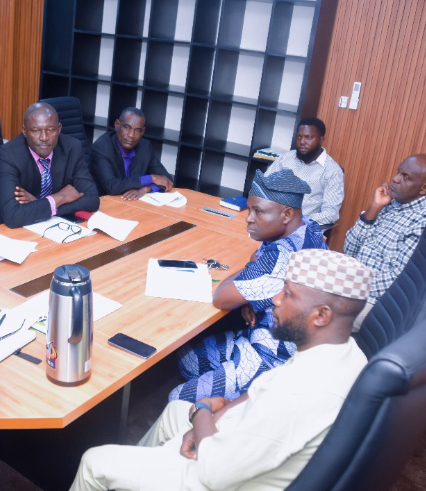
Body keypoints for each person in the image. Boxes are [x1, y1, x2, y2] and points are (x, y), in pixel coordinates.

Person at [70, 249, 372, 491]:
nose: (276, 300)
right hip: (239, 446)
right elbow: (261, 395)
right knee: (176, 409)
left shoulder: (294, 394)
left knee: (94, 462)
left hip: (217, 477)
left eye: (289, 295)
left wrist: (202, 411)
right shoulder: (349, 354)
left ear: (321, 315)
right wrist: (220, 410)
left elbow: (215, 473)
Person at [170, 169, 327, 402]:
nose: (248, 218)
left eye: (258, 211)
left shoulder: (279, 258)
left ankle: (241, 401)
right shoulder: (308, 228)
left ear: (286, 214)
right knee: (186, 358)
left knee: (177, 397)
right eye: (249, 209)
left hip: (271, 357)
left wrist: (251, 274)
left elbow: (221, 297)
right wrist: (254, 290)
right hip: (270, 332)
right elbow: (259, 256)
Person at [344, 153, 426, 330]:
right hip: (352, 283)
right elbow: (349, 249)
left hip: (372, 302)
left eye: (405, 177)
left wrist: (347, 285)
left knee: (308, 311)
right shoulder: (391, 204)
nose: (395, 179)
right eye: (398, 172)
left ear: (424, 188)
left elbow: (396, 280)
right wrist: (374, 209)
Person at [0, 102, 100, 228]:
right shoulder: (7, 155)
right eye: (35, 130)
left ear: (59, 129)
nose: (44, 138)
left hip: (47, 226)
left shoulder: (72, 148)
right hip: (0, 231)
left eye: (50, 130)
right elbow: (13, 216)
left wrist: (45, 205)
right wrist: (60, 197)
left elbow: (92, 200)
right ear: (24, 131)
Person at [264, 117, 344, 227]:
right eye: (299, 137)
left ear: (321, 139)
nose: (302, 142)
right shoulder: (286, 158)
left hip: (301, 228)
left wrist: (299, 220)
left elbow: (331, 214)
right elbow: (264, 185)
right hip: (271, 220)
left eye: (308, 137)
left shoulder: (332, 171)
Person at [89, 107, 174, 199]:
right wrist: (151, 178)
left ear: (143, 132)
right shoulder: (101, 147)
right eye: (126, 127)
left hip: (132, 203)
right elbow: (112, 186)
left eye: (137, 130)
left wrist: (145, 189)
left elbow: (167, 180)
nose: (131, 135)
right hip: (104, 203)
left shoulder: (145, 146)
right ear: (117, 125)